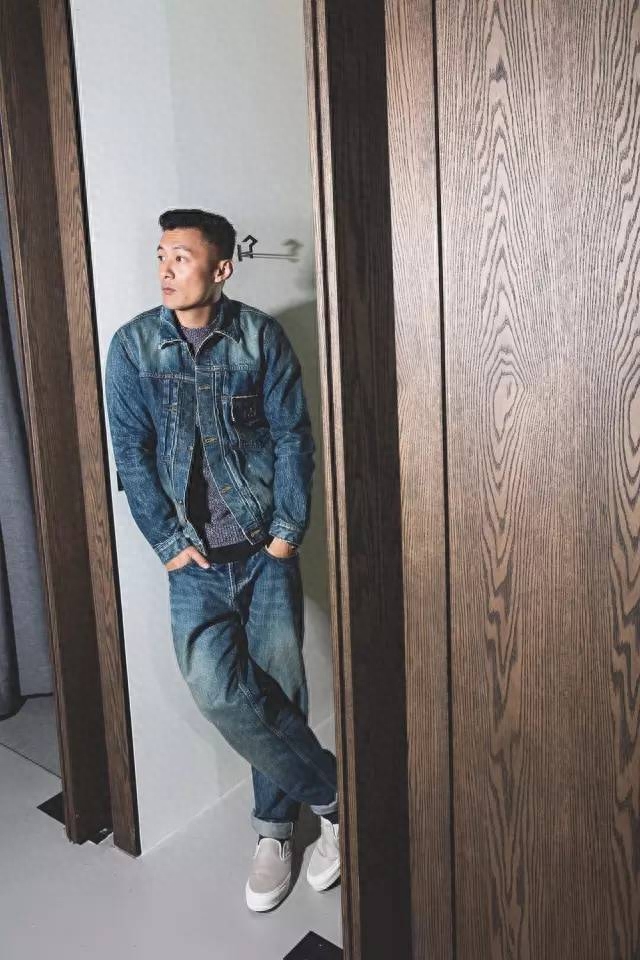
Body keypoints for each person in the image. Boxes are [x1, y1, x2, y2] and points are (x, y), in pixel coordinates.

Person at [105, 208, 340, 912]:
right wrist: (169, 546)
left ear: (222, 268)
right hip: (194, 563)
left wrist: (286, 535)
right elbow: (132, 455)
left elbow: (294, 436)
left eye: (181, 256)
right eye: (160, 256)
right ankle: (336, 798)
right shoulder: (133, 347)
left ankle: (274, 832)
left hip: (265, 551)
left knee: (279, 689)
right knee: (219, 690)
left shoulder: (260, 336)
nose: (165, 269)